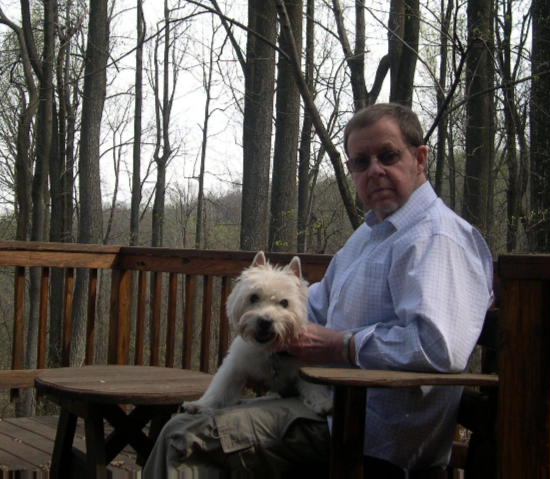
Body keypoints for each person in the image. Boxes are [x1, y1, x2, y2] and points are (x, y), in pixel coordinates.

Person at [143, 103, 494, 478]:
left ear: (420, 158)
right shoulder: (369, 235)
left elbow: (437, 347)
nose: (374, 170)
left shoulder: (435, 238)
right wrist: (269, 317)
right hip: (324, 405)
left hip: (366, 434)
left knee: (185, 438)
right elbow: (314, 307)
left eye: (388, 156)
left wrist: (342, 345)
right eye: (360, 162)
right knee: (187, 425)